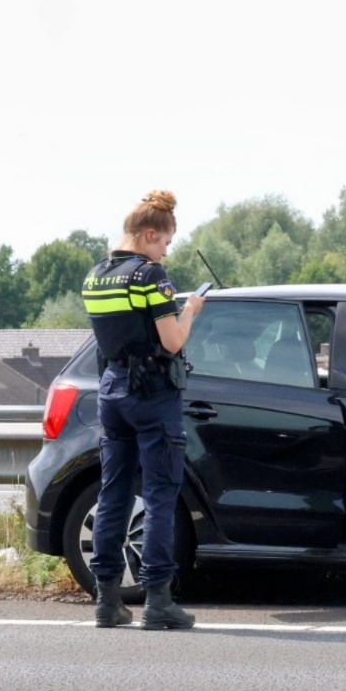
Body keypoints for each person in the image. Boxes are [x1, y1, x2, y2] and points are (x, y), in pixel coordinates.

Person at [81, 190, 205, 630]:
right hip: (152, 392)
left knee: (113, 494)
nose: (167, 251)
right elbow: (172, 341)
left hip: (112, 390)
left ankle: (107, 601)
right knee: (158, 496)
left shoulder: (95, 277)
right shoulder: (151, 276)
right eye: (166, 242)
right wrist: (189, 310)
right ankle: (158, 600)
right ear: (150, 234)